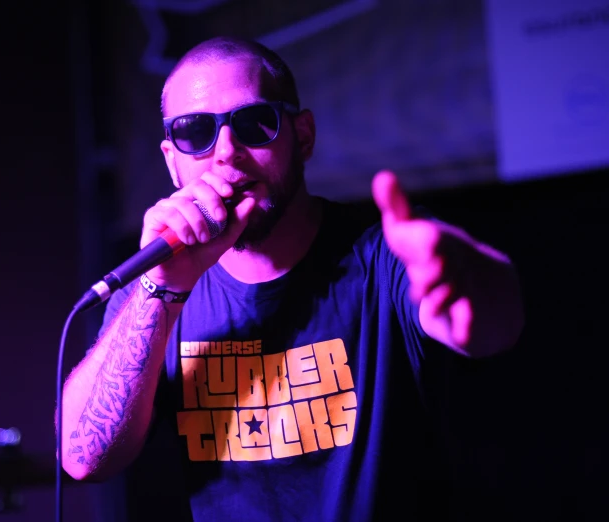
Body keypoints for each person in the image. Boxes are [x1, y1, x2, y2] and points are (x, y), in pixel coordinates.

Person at [60, 36, 524, 521]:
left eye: (254, 123)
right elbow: (83, 457)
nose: (226, 152)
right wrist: (163, 288)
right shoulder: (154, 289)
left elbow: (495, 325)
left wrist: (473, 281)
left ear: (302, 136)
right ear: (172, 161)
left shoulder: (381, 254)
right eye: (194, 132)